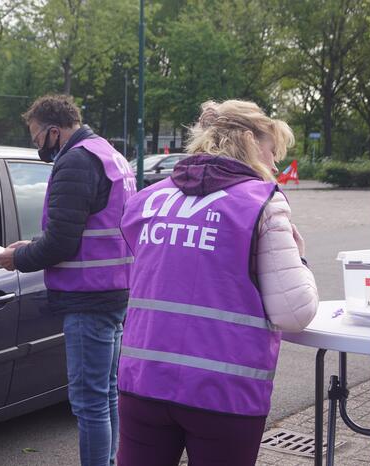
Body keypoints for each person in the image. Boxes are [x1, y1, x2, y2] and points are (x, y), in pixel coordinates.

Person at [116, 100, 319, 466]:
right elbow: (295, 313)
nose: (274, 165)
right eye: (272, 151)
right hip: (223, 393)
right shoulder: (261, 203)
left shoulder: (149, 199)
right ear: (248, 141)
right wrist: (300, 258)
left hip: (143, 382)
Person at [0, 94, 136, 466]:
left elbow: (61, 243)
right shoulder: (108, 153)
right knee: (105, 395)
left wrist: (17, 257)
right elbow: (89, 226)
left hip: (88, 298)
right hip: (114, 288)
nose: (37, 145)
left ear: (54, 131)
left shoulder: (75, 161)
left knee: (89, 402)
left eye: (37, 137)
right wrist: (34, 244)